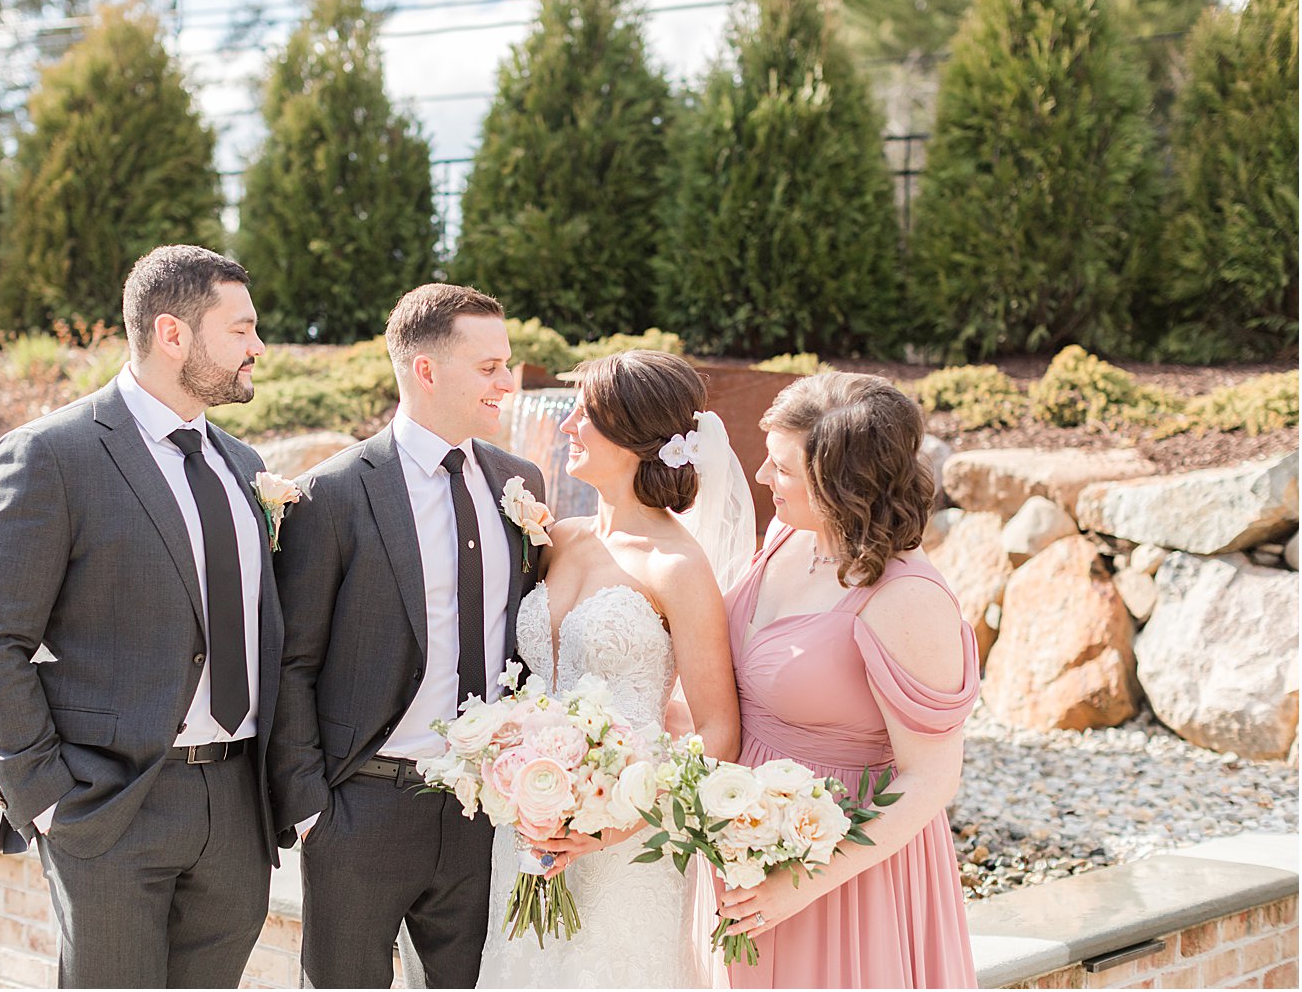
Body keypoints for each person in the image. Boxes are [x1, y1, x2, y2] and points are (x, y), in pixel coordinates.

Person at [0, 244, 283, 988]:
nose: (257, 346)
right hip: (110, 807)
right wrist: (44, 799)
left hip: (235, 808)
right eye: (241, 329)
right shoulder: (48, 456)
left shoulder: (245, 465)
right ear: (173, 334)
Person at [271, 283, 546, 989]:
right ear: (425, 371)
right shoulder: (333, 493)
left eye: (505, 363)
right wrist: (311, 811)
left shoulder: (520, 483)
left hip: (482, 815)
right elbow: (292, 661)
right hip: (362, 807)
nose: (507, 382)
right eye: (488, 367)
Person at [476, 349, 743, 989]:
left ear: (635, 434)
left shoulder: (678, 566)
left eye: (585, 414)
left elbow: (719, 729)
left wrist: (620, 819)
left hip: (627, 844)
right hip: (527, 826)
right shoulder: (559, 539)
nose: (567, 426)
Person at [716, 372, 980, 989]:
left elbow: (932, 778)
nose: (761, 478)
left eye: (781, 469)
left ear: (840, 484)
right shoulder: (788, 535)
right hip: (747, 843)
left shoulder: (905, 598)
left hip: (844, 873)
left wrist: (797, 886)